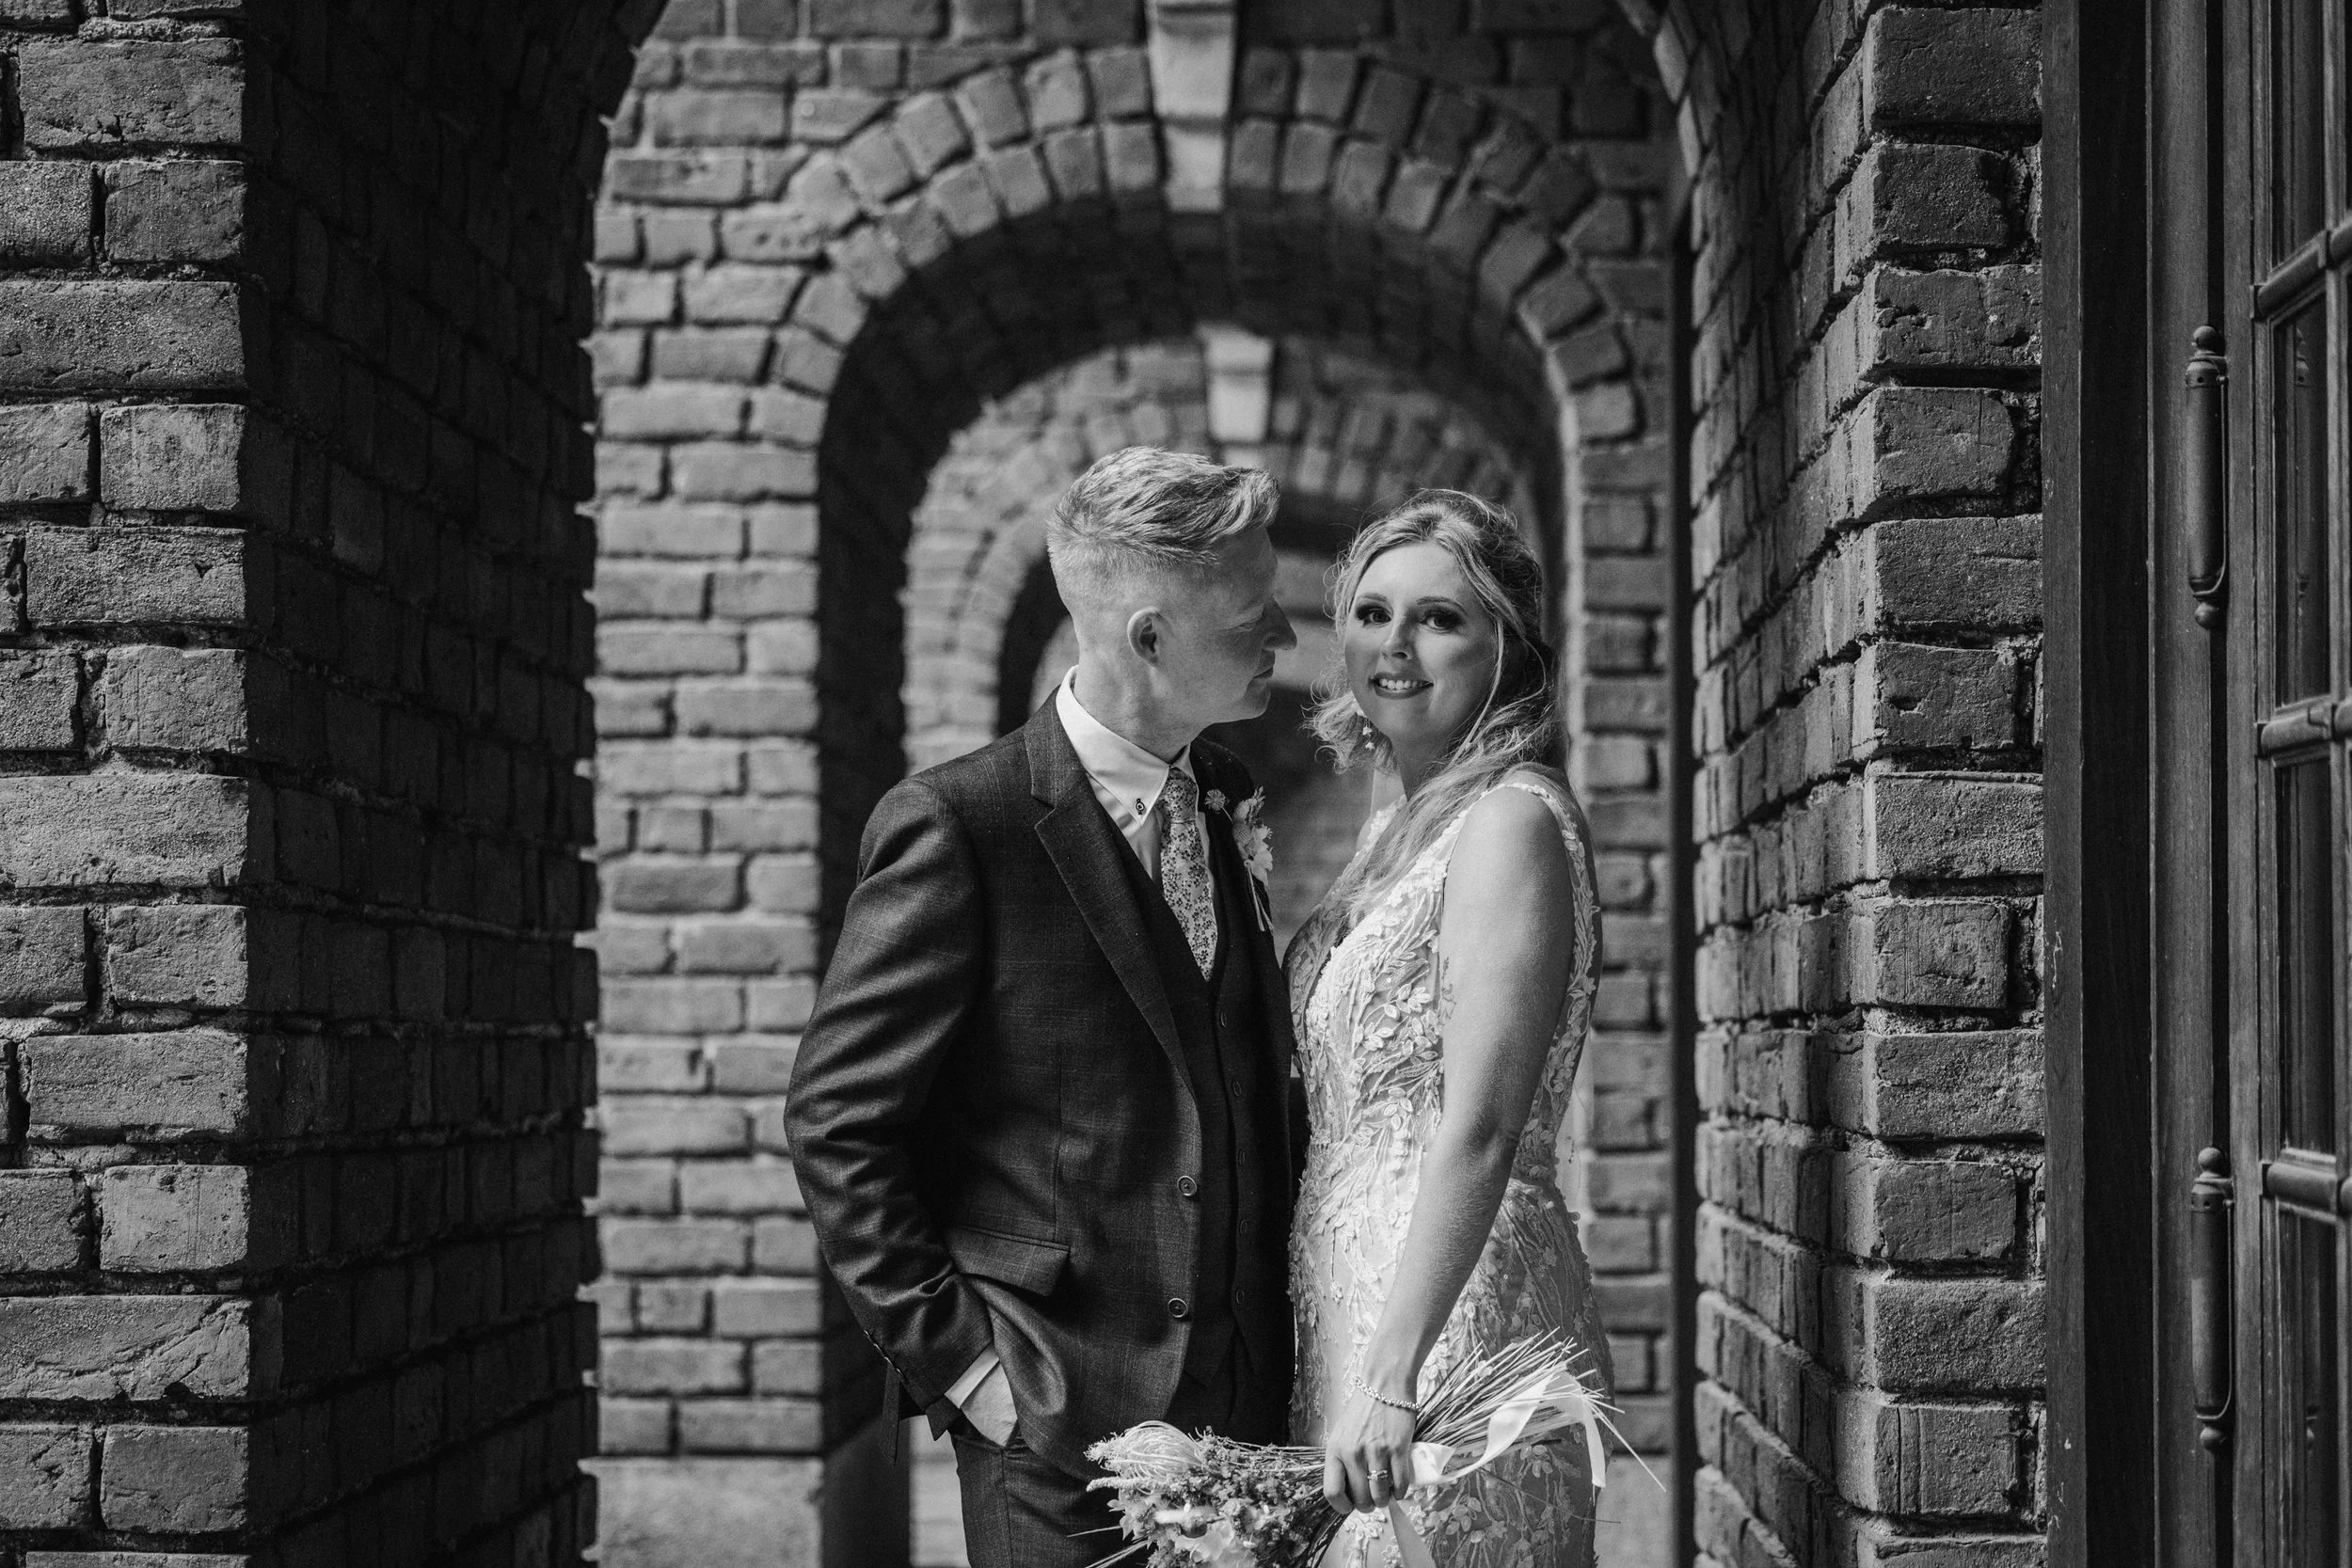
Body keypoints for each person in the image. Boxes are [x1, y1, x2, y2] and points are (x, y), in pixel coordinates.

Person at [784, 446, 1303, 1568]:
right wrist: (969, 1367)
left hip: (1249, 1413)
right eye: (1257, 614)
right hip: (1054, 1417)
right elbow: (839, 1121)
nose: (1287, 638)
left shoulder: (1225, 795)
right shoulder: (960, 825)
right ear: (1149, 636)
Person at [1287, 490, 1609, 1567]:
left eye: (1439, 618)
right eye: (1372, 613)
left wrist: (1392, 1368)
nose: (1396, 644)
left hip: (1444, 1313)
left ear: (1504, 646)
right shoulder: (1395, 828)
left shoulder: (1507, 818)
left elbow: (1477, 1123)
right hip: (1350, 1299)